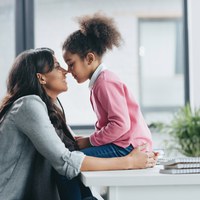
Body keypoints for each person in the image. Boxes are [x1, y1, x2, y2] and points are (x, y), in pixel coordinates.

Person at [0, 48, 158, 200]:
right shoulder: (28, 105)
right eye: (57, 66)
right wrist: (129, 161)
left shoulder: (49, 109)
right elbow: (66, 161)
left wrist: (139, 155)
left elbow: (72, 148)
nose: (66, 71)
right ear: (41, 78)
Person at [62, 12, 152, 158]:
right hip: (124, 142)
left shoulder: (105, 83)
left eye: (71, 64)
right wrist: (89, 139)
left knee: (73, 161)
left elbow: (120, 125)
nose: (68, 71)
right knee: (74, 157)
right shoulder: (99, 82)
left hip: (129, 146)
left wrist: (90, 141)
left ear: (89, 58)